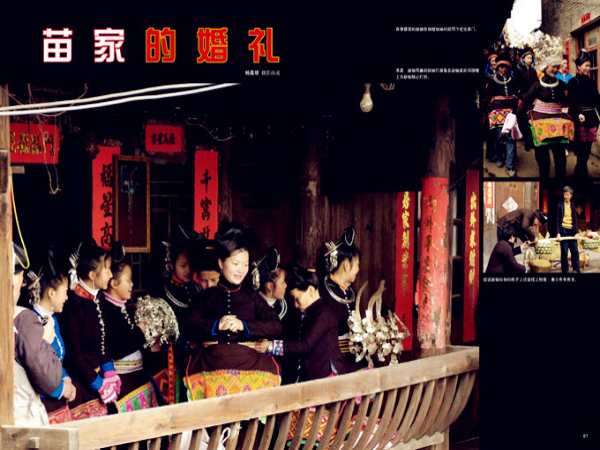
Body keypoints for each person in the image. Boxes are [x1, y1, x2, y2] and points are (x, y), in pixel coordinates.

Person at [183, 222, 282, 400]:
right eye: (236, 263)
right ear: (221, 263)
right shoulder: (206, 297)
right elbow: (188, 324)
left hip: (250, 364)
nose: (241, 270)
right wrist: (217, 326)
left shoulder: (253, 297)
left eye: (245, 265)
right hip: (211, 365)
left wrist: (243, 325)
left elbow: (275, 325)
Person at [257, 263, 358, 382]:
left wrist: (271, 346)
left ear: (310, 290)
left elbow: (305, 345)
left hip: (328, 379)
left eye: (297, 299)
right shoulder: (312, 313)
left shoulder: (323, 315)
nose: (296, 305)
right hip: (317, 378)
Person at [58, 238, 120, 420]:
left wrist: (109, 369)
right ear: (92, 275)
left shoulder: (97, 298)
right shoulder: (73, 306)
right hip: (81, 385)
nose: (110, 275)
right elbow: (74, 355)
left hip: (97, 379)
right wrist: (98, 383)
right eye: (106, 270)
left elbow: (103, 339)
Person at [101, 243, 158, 413]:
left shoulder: (121, 309)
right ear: (114, 283)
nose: (132, 284)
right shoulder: (106, 311)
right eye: (128, 280)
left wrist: (148, 347)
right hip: (124, 383)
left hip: (135, 379)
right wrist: (139, 332)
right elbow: (118, 348)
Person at [517, 35, 583, 178]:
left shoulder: (562, 85)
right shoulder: (536, 86)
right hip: (540, 128)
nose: (555, 69)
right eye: (553, 66)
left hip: (558, 128)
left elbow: (571, 100)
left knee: (560, 159)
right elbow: (522, 108)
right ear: (545, 66)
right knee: (543, 160)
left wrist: (578, 114)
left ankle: (561, 182)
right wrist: (527, 133)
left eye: (557, 67)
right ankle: (545, 182)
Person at [13, 243, 64, 427]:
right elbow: (49, 380)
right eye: (20, 280)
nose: (22, 286)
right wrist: (46, 342)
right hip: (19, 424)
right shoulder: (23, 319)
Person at [28, 248, 77, 423]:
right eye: (65, 292)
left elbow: (55, 360)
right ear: (51, 293)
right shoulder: (32, 322)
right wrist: (61, 389)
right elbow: (36, 369)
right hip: (42, 404)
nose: (67, 297)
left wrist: (65, 377)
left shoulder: (52, 319)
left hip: (57, 400)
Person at [319, 227, 363, 366]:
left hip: (351, 359)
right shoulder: (323, 293)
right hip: (330, 362)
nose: (358, 269)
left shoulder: (350, 293)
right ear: (346, 265)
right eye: (357, 265)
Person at [485, 52, 519, 176]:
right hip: (497, 112)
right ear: (498, 67)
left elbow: (516, 96)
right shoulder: (492, 80)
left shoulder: (513, 80)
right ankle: (498, 157)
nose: (503, 69)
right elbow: (488, 96)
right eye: (501, 67)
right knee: (500, 136)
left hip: (510, 111)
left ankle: (510, 166)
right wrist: (487, 110)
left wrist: (515, 111)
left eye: (505, 67)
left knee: (510, 138)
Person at [568, 50, 600, 178]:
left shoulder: (591, 82)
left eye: (589, 65)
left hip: (592, 120)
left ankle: (579, 173)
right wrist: (579, 113)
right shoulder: (573, 82)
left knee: (586, 151)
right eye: (586, 65)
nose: (588, 68)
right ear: (578, 66)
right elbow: (572, 100)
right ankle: (580, 176)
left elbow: (597, 100)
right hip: (579, 120)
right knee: (581, 151)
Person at [516, 46, 541, 152]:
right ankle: (527, 141)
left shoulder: (533, 71)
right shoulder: (519, 70)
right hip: (522, 98)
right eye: (528, 58)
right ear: (523, 59)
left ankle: (532, 141)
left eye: (531, 58)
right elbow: (517, 84)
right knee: (524, 121)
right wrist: (521, 95)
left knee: (532, 120)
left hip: (532, 98)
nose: (530, 60)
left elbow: (535, 84)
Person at [556, 186, 581, 274]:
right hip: (563, 230)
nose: (566, 196)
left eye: (567, 195)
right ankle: (565, 271)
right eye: (564, 194)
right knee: (564, 252)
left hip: (572, 231)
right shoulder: (560, 205)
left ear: (571, 195)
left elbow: (575, 219)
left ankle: (576, 270)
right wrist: (558, 233)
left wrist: (577, 232)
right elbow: (557, 220)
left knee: (575, 251)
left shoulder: (573, 205)